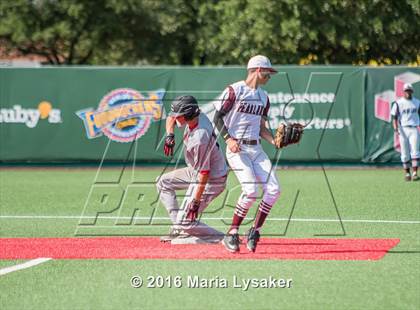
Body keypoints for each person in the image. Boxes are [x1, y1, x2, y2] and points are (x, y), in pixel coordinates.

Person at [213, 55, 280, 253]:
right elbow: (217, 117)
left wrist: (274, 140)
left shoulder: (264, 97)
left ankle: (254, 230)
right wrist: (228, 139)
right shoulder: (234, 90)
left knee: (274, 190)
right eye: (268, 72)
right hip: (237, 148)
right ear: (258, 70)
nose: (270, 76)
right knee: (251, 192)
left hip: (256, 148)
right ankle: (232, 232)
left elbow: (261, 128)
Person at [157, 95, 228, 243]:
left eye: (179, 115)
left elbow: (204, 173)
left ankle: (224, 238)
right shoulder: (198, 116)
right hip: (196, 170)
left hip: (212, 180)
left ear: (188, 115)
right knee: (162, 182)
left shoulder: (200, 137)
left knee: (186, 221)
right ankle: (180, 228)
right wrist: (170, 135)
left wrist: (195, 201)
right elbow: (170, 118)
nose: (175, 118)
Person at [391, 83, 420, 181]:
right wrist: (395, 128)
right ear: (403, 92)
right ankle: (407, 173)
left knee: (415, 151)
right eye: (406, 90)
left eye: (409, 90)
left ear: (412, 91)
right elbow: (394, 117)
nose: (408, 92)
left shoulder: (417, 102)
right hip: (403, 129)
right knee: (404, 153)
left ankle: (415, 173)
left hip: (414, 128)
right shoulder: (398, 103)